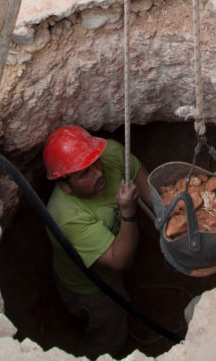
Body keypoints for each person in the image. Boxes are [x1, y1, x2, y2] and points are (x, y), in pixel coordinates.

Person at [43, 125, 151, 359]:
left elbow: (139, 175)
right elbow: (120, 260)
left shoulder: (109, 154)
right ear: (65, 185)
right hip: (90, 288)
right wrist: (128, 212)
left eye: (95, 162)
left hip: (111, 251)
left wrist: (167, 216)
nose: (98, 173)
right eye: (84, 173)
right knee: (109, 335)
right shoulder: (66, 218)